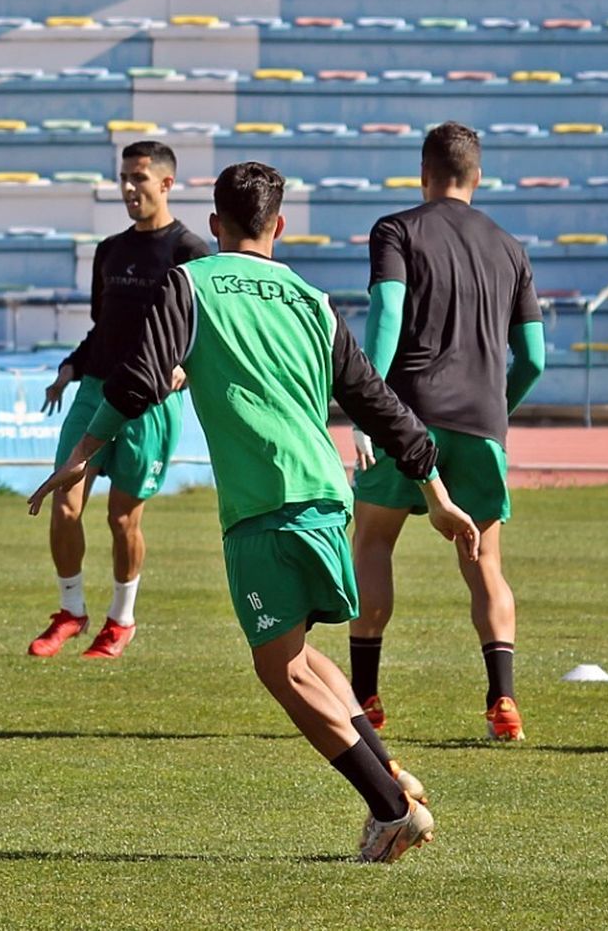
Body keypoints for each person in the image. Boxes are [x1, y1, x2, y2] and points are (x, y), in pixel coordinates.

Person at [28, 161, 480, 863]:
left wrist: (83, 453)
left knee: (280, 669)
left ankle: (390, 810)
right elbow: (376, 400)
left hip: (262, 507)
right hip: (328, 499)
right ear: (280, 224)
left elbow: (142, 376)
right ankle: (390, 772)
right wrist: (437, 492)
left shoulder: (193, 281)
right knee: (301, 654)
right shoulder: (309, 297)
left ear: (214, 225)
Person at [347, 122, 546, 741]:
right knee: (484, 561)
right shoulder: (511, 246)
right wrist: (497, 410)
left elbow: (386, 316)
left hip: (406, 411)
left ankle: (366, 698)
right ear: (477, 176)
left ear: (423, 174)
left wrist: (366, 406)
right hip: (482, 421)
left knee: (375, 542)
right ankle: (503, 701)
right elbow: (534, 357)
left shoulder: (398, 229)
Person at [32, 140, 211, 659]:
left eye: (140, 178)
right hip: (94, 390)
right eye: (124, 179)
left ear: (166, 183)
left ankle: (121, 619)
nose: (130, 188)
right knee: (64, 504)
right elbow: (102, 326)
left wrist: (186, 367)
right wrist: (71, 368)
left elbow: (204, 328)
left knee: (122, 518)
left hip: (149, 402)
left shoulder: (190, 252)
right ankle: (71, 611)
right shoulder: (111, 250)